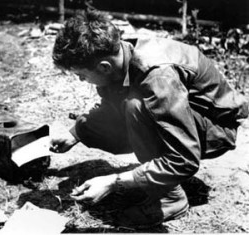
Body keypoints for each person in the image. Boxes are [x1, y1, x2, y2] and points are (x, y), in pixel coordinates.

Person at [50, 10, 248, 226]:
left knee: (136, 106)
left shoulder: (157, 76)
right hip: (188, 116)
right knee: (125, 105)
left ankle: (170, 198)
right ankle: (161, 183)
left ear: (104, 67)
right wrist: (76, 133)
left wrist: (115, 182)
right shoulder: (119, 56)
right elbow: (110, 106)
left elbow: (184, 160)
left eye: (82, 75)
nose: (81, 80)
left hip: (217, 128)